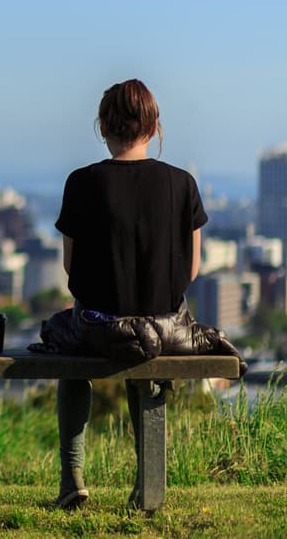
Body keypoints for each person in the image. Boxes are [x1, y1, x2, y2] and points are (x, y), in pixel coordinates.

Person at [50, 79, 207, 510]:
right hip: (163, 329)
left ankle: (73, 478)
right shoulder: (182, 184)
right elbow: (190, 270)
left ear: (103, 127)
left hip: (98, 329)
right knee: (147, 348)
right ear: (155, 128)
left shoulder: (81, 183)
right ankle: (146, 484)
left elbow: (71, 269)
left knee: (65, 345)